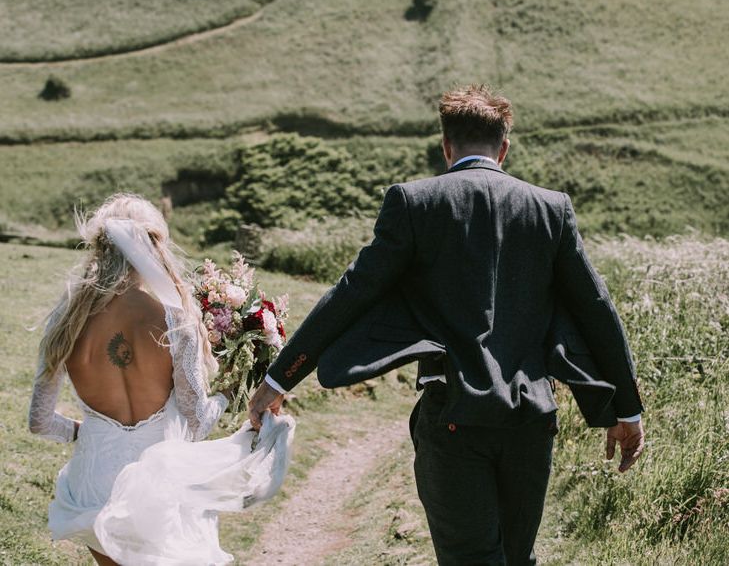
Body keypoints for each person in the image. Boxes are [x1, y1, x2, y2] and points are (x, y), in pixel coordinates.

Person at [249, 85, 645, 565]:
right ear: (504, 148)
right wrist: (626, 409)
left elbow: (351, 293)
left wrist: (279, 378)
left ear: (445, 146)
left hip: (454, 416)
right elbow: (596, 308)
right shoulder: (551, 208)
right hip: (532, 422)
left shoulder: (414, 204)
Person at [30, 193, 293, 566]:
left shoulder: (66, 318)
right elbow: (197, 421)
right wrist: (226, 395)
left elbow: (39, 421)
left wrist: (83, 431)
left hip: (92, 484)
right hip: (158, 485)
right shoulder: (174, 320)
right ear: (153, 246)